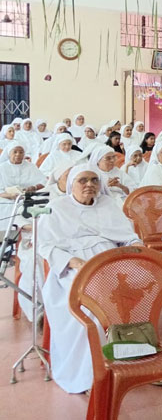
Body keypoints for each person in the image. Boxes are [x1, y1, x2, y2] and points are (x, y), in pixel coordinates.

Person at [38, 165, 141, 394]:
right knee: (91, 305)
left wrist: (135, 248)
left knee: (138, 293)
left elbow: (128, 237)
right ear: (71, 184)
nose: (89, 185)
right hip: (73, 268)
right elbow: (46, 246)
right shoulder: (57, 208)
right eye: (83, 180)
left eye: (94, 180)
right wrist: (73, 262)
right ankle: (90, 372)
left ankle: (131, 359)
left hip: (111, 262)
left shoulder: (108, 204)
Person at [0, 141, 46, 320]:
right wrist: (9, 195)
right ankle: (8, 241)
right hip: (6, 200)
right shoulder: (2, 168)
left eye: (20, 152)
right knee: (8, 210)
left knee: (29, 211)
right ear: (9, 153)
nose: (18, 155)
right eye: (15, 152)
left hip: (27, 199)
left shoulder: (30, 166)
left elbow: (42, 182)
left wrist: (32, 188)